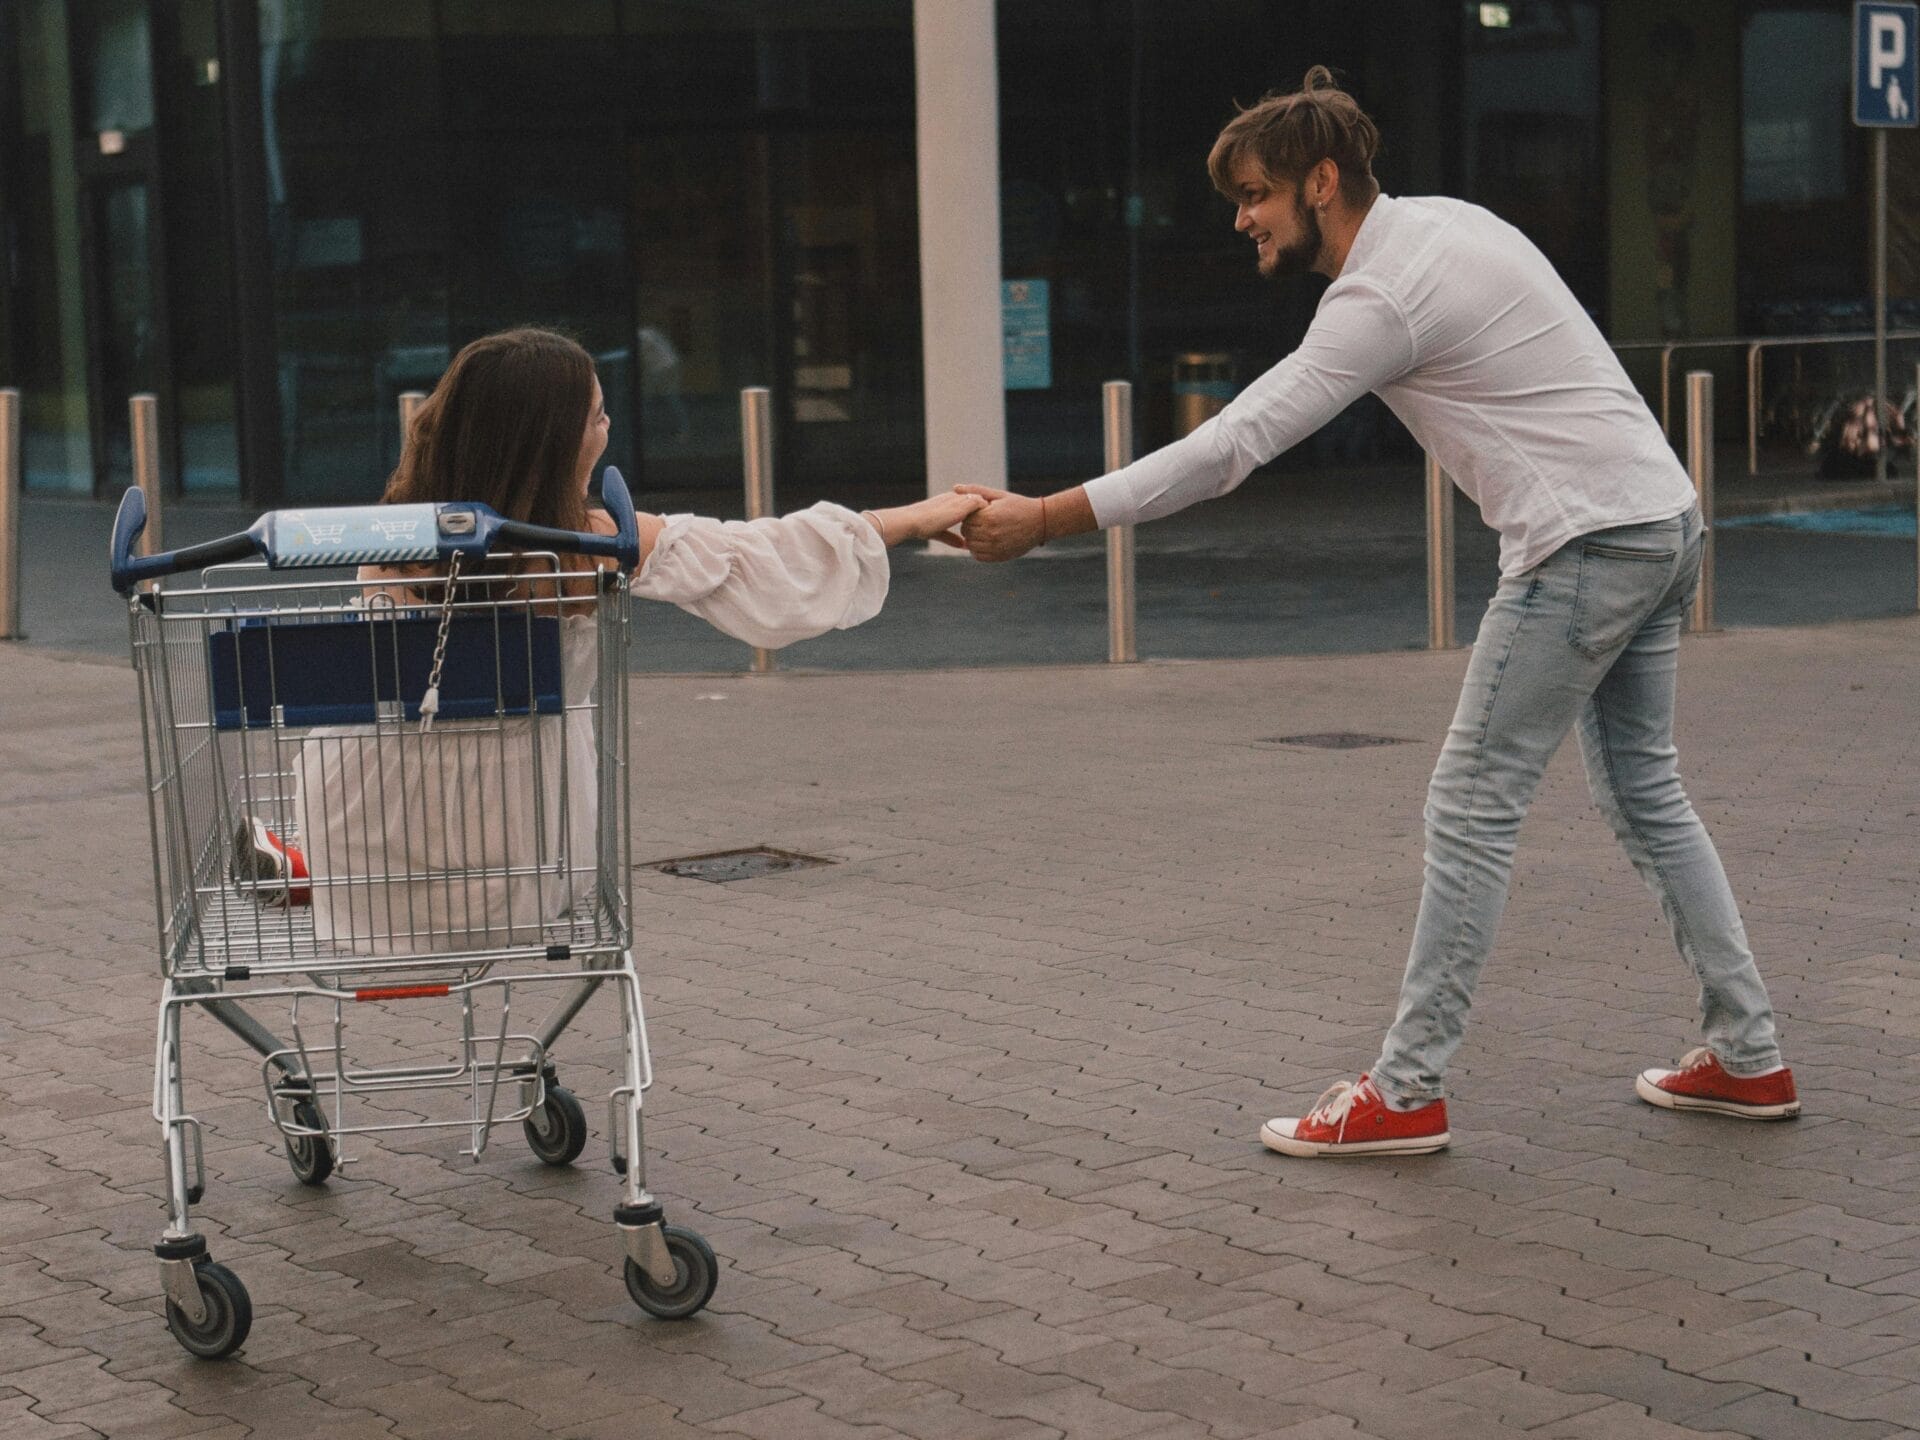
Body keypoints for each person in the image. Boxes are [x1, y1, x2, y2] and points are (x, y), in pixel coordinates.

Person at [958, 68, 1797, 1155]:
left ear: (1320, 182)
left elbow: (1232, 446)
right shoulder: (1449, 225)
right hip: (1661, 519)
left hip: (1586, 544)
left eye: (1255, 194)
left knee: (1470, 810)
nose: (1242, 220)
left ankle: (1406, 1091)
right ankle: (1748, 1053)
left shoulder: (1379, 297)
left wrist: (1045, 516)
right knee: (1645, 792)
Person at [240, 327, 981, 954]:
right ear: (554, 440)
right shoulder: (585, 546)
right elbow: (761, 553)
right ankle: (305, 864)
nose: (607, 428)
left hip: (363, 866)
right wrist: (917, 517)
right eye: (595, 416)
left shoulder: (389, 535)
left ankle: (304, 865)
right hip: (527, 866)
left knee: (395, 770)